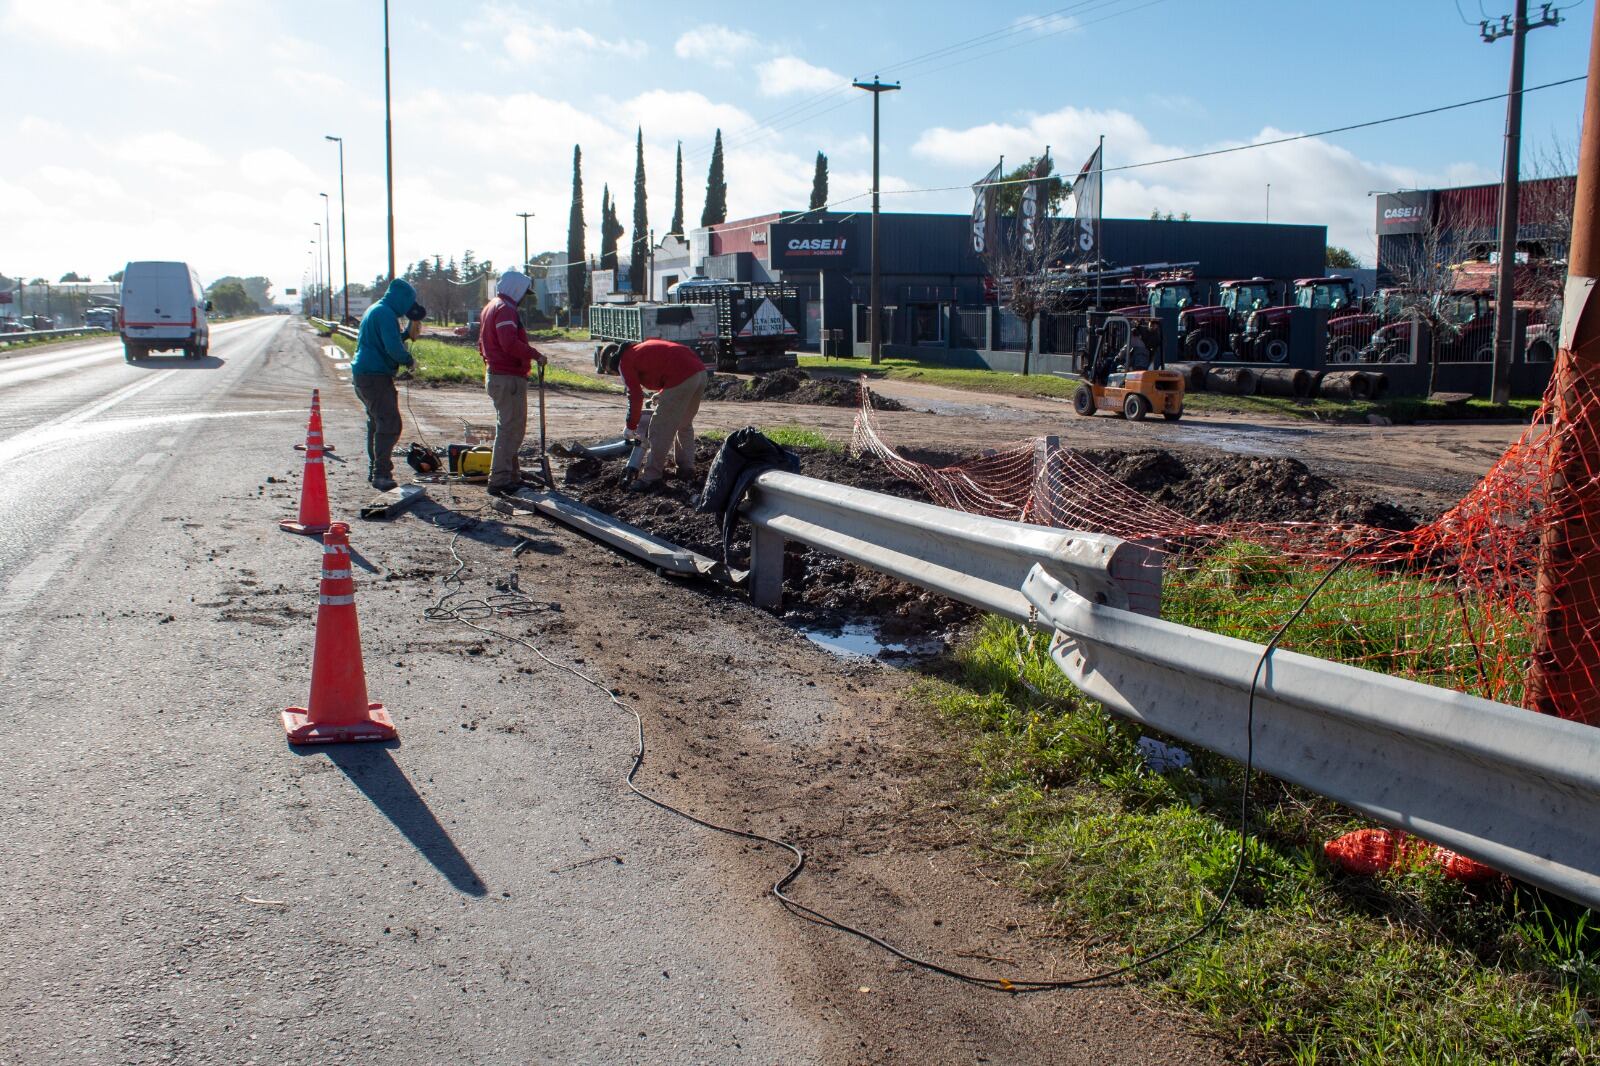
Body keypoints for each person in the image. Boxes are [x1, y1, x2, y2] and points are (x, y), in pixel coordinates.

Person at [477, 270, 547, 496]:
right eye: (525, 292)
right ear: (517, 289)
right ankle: (499, 479)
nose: (525, 297)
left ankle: (511, 476)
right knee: (511, 429)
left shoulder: (491, 307)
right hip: (508, 377)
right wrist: (535, 354)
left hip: (497, 374)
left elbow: (482, 345)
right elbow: (509, 343)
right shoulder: (505, 309)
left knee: (509, 427)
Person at [610, 339, 707, 492]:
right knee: (684, 423)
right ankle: (686, 468)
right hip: (700, 373)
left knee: (659, 428)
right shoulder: (640, 348)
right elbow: (668, 363)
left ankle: (651, 477)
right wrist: (663, 393)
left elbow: (635, 395)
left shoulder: (624, 362)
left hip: (682, 376)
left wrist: (630, 426)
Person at [351, 278, 420, 491]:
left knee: (377, 423)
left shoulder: (377, 310)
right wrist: (409, 360)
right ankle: (382, 474)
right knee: (390, 423)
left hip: (364, 374)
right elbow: (392, 347)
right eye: (409, 302)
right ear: (402, 299)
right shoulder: (386, 314)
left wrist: (407, 333)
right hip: (375, 376)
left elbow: (387, 339)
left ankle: (376, 469)